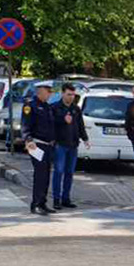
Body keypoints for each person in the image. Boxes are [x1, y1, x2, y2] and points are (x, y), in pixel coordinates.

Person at [21, 81, 57, 216]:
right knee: (40, 175)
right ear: (40, 91)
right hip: (36, 144)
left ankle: (42, 202)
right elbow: (25, 124)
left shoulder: (47, 107)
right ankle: (35, 204)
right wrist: (28, 140)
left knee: (46, 175)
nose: (49, 94)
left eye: (50, 91)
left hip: (47, 145)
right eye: (48, 91)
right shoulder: (30, 105)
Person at [51, 82, 89, 210]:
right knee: (59, 172)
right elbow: (50, 124)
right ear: (62, 94)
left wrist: (85, 139)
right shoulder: (55, 108)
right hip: (60, 145)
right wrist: (62, 119)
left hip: (73, 144)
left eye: (73, 95)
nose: (71, 97)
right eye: (68, 94)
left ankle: (66, 198)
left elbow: (80, 125)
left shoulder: (76, 109)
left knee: (69, 173)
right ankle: (56, 199)